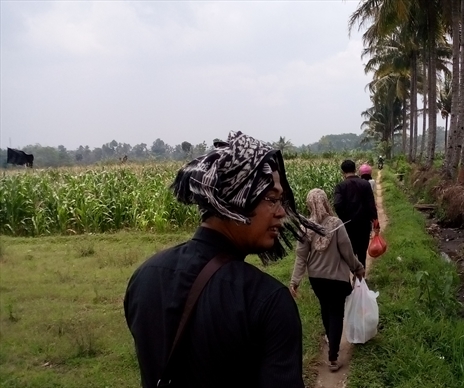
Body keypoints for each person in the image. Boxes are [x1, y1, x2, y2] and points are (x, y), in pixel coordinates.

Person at [124, 131, 325, 388]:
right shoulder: (266, 301)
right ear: (235, 200)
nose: (282, 212)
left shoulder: (145, 277)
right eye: (272, 199)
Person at [289, 189, 365, 372]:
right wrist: (357, 268)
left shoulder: (305, 226)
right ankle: (333, 357)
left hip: (317, 279)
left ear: (309, 204)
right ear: (325, 202)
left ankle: (330, 338)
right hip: (337, 278)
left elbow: (301, 257)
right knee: (336, 313)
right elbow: (347, 250)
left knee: (325, 306)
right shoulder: (335, 223)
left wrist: (295, 281)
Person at [333, 159, 378, 271]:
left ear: (343, 172)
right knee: (362, 251)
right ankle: (361, 277)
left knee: (351, 250)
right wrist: (376, 224)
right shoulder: (365, 184)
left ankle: (353, 275)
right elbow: (371, 205)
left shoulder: (340, 186)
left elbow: (337, 205)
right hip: (364, 223)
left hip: (348, 225)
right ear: (355, 170)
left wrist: (344, 218)